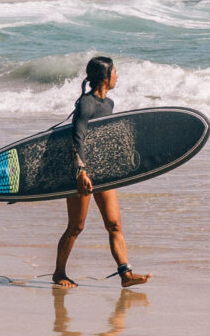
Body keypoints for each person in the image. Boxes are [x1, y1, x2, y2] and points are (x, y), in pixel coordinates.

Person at [55, 55, 145, 286]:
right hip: (82, 173)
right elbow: (78, 137)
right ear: (105, 77)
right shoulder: (86, 103)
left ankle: (125, 274)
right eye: (114, 72)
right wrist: (81, 171)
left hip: (103, 171)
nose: (117, 76)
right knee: (76, 226)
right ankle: (59, 273)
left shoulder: (109, 104)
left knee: (114, 223)